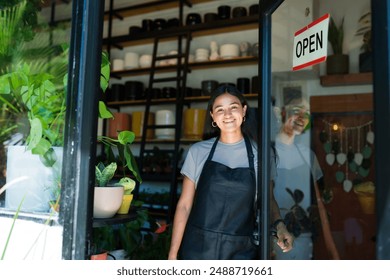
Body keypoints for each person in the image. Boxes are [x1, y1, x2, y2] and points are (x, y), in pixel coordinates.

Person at [168, 85, 294, 260]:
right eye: (220, 110)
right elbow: (184, 206)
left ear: (243, 111)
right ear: (212, 116)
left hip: (241, 250)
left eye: (233, 107)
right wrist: (173, 254)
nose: (227, 114)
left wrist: (280, 225)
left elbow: (268, 199)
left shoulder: (263, 154)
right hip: (197, 247)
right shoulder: (198, 151)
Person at [272, 97, 323, 260]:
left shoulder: (309, 155)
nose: (302, 117)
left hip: (304, 238)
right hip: (273, 237)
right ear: (283, 113)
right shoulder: (264, 153)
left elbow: (320, 201)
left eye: (306, 113)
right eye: (296, 110)